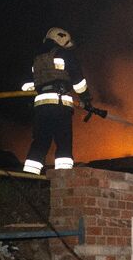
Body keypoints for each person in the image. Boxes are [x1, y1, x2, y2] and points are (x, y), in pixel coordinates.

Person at [21, 27, 92, 175]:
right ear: (60, 39)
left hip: (41, 107)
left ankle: (29, 177)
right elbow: (78, 81)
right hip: (60, 106)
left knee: (40, 141)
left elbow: (27, 86)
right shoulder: (64, 54)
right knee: (63, 142)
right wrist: (86, 99)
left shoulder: (36, 58)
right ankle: (63, 178)